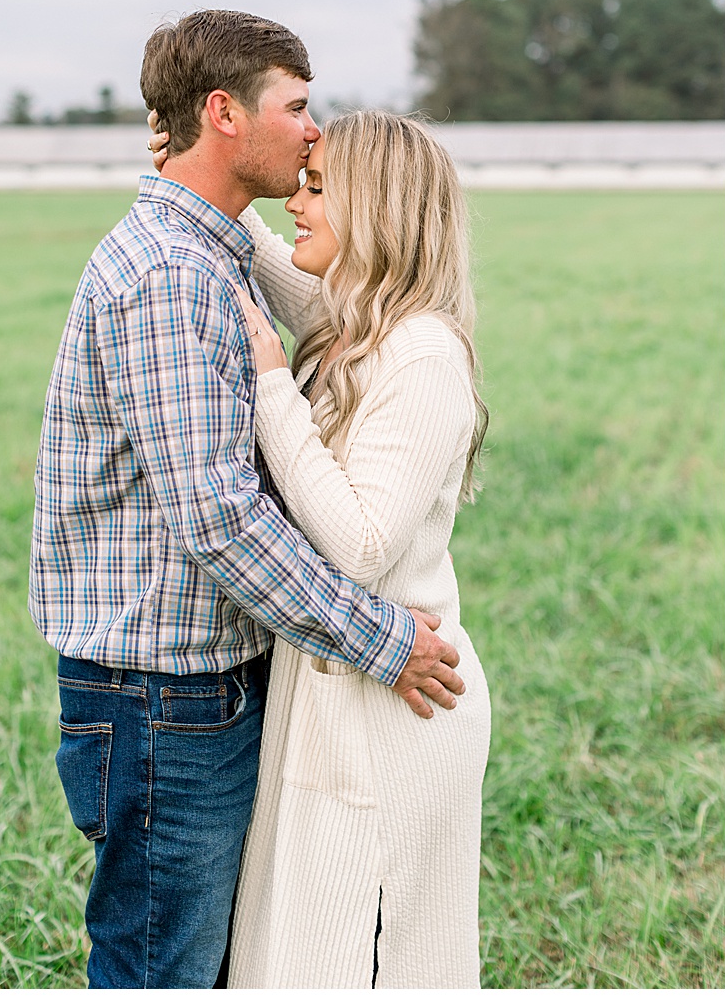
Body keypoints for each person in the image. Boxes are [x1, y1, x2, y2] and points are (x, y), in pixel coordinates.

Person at [30, 10, 468, 989]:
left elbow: (362, 312)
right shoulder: (171, 280)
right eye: (299, 107)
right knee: (164, 973)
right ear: (226, 113)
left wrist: (201, 180)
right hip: (163, 703)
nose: (317, 131)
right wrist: (382, 638)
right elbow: (220, 518)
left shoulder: (210, 254)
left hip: (201, 695)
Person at [216, 112, 492, 987]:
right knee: (307, 942)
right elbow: (259, 244)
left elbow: (362, 547)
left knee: (368, 949)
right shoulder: (357, 319)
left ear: (374, 209)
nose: (298, 201)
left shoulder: (421, 356)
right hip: (342, 686)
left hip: (393, 711)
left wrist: (271, 388)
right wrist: (210, 161)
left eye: (319, 187)